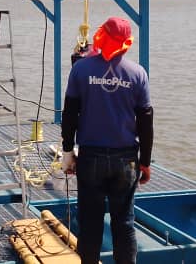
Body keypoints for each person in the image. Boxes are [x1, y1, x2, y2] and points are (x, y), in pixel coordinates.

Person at [60, 17, 154, 264]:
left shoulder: (81, 69)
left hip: (91, 157)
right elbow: (146, 121)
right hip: (126, 159)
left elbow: (70, 113)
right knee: (124, 223)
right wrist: (145, 162)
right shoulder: (138, 73)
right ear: (127, 42)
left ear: (101, 36)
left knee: (90, 223)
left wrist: (67, 152)